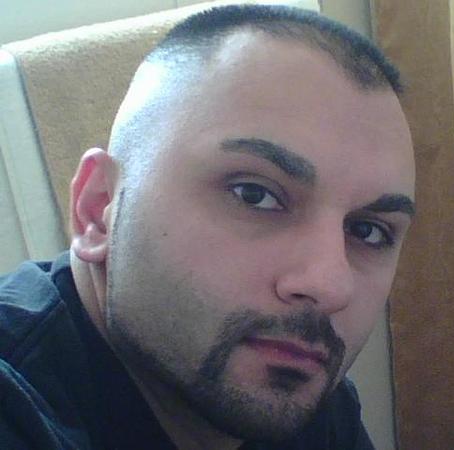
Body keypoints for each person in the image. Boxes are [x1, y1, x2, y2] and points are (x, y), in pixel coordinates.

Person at [0, 4, 415, 450]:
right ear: (98, 207)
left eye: (368, 231)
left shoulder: (302, 387)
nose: (331, 286)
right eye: (254, 195)